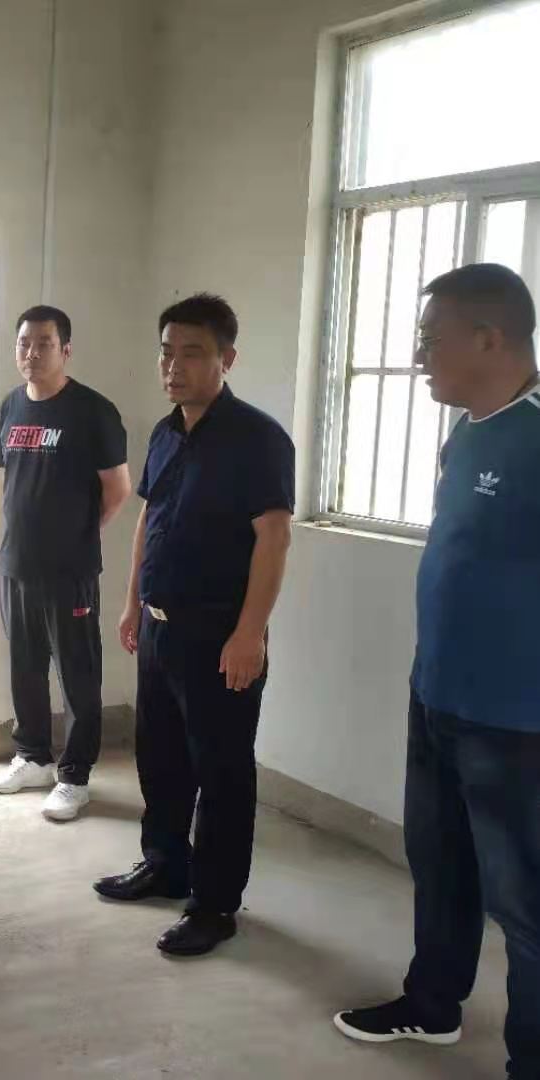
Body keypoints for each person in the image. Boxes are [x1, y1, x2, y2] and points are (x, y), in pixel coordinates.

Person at [335, 264, 539, 1080]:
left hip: (516, 722)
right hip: (438, 697)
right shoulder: (466, 433)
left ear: (488, 338)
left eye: (431, 338)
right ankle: (431, 1005)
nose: (419, 355)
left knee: (525, 906)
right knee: (440, 865)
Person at [94, 293, 293, 957]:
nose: (173, 367)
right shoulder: (164, 432)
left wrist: (250, 634)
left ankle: (214, 904)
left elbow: (273, 538)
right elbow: (149, 522)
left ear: (226, 359)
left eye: (192, 353)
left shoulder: (258, 439)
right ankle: (165, 865)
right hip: (159, 627)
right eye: (166, 353)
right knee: (161, 758)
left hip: (220, 635)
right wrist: (132, 603)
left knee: (223, 772)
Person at [0, 305, 130, 822]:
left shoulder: (93, 411)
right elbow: (5, 482)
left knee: (77, 675)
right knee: (25, 668)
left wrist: (80, 533)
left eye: (44, 343)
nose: (32, 352)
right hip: (17, 564)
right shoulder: (9, 408)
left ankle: (74, 777)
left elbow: (118, 489)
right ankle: (33, 757)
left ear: (65, 350)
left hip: (71, 570)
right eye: (24, 342)